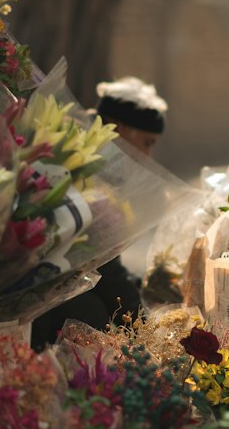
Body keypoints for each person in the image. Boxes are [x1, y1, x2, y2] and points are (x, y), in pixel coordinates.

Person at [30, 76, 168, 350]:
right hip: (40, 305)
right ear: (119, 129)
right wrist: (146, 332)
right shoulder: (80, 164)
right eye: (147, 142)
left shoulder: (96, 160)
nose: (148, 155)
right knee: (92, 317)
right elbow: (104, 266)